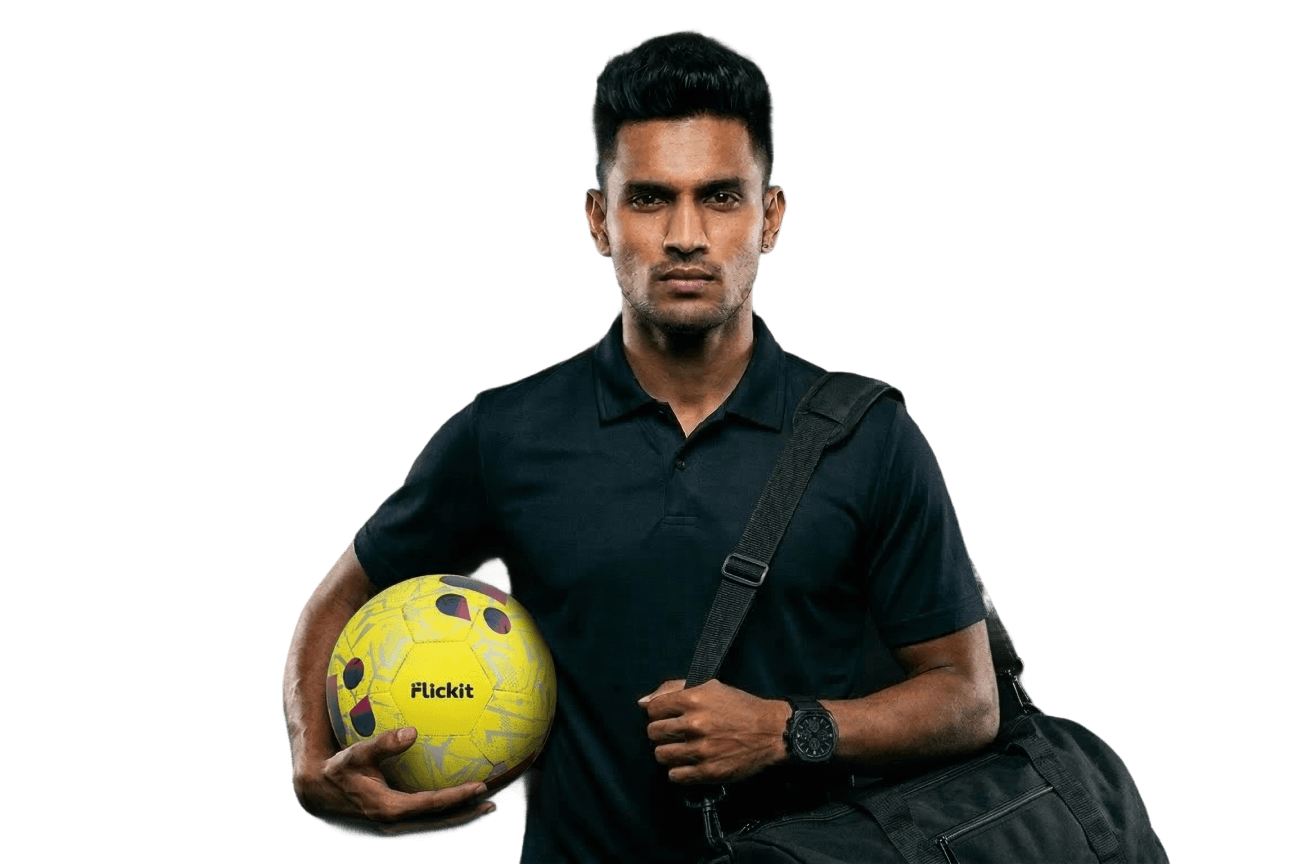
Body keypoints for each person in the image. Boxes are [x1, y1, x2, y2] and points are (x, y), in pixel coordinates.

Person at [282, 29, 1000, 862]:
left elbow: (968, 699)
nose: (686, 235)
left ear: (770, 217)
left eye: (721, 197)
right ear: (599, 219)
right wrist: (310, 762)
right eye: (650, 199)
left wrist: (786, 730)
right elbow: (339, 598)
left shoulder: (869, 435)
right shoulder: (505, 433)